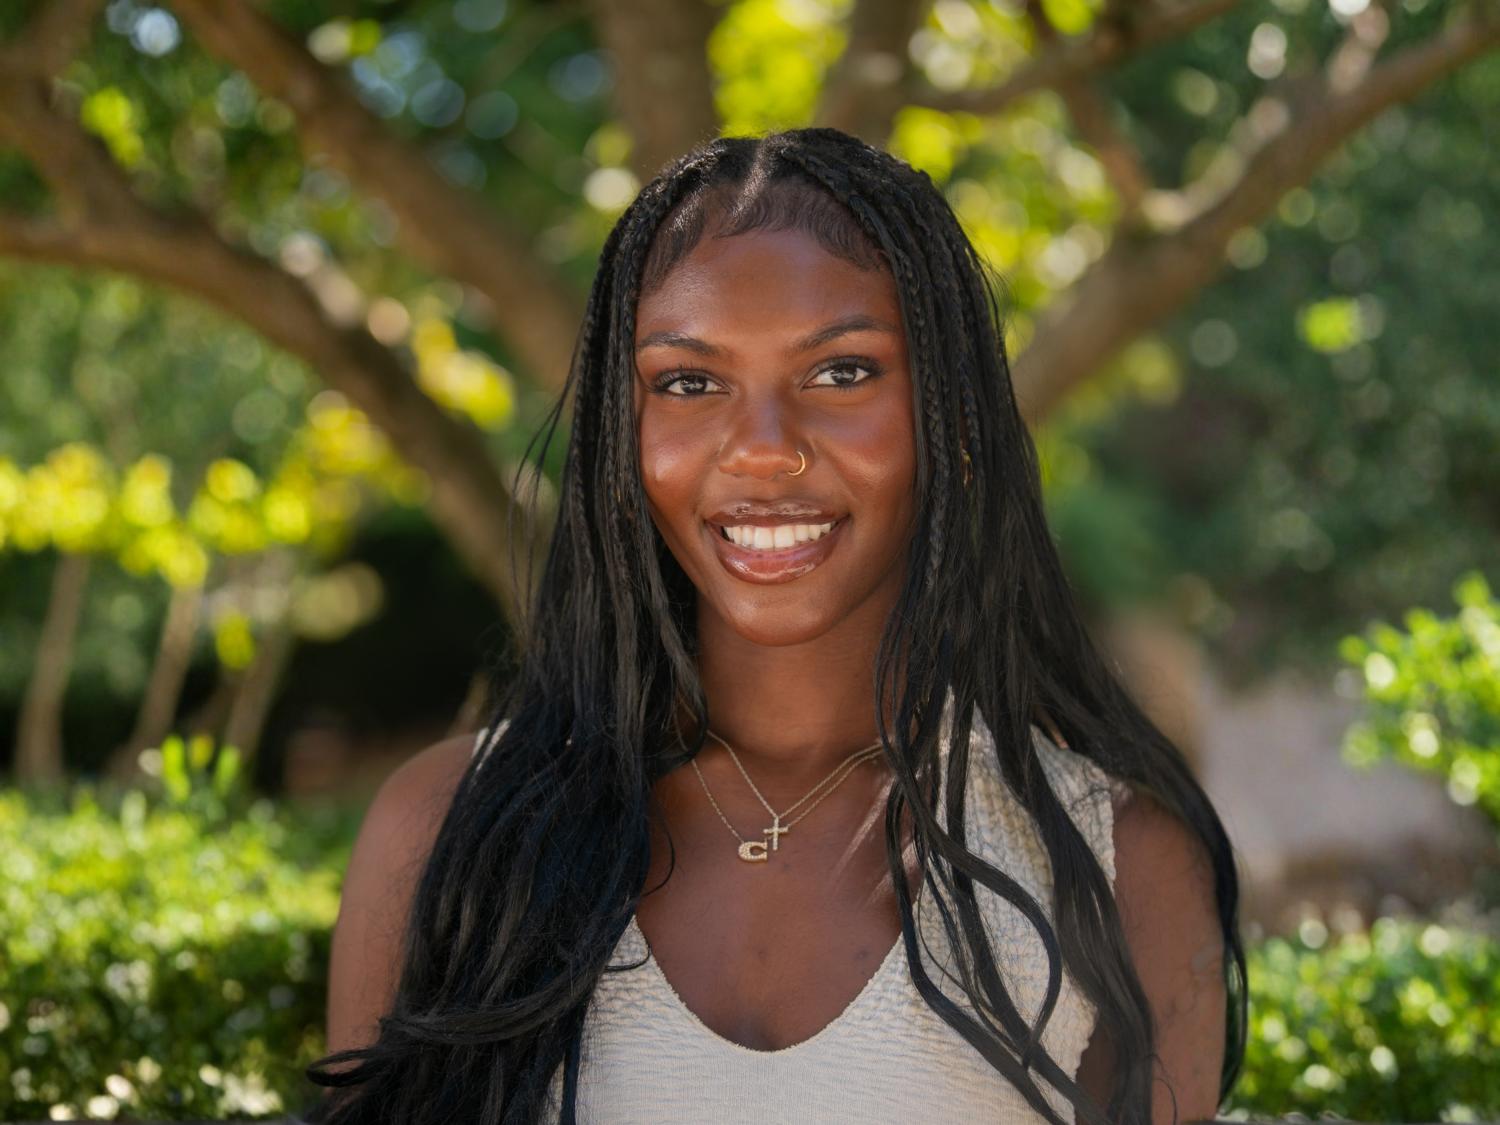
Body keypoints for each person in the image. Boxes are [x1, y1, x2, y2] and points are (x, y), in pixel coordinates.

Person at [305, 127, 1246, 1125]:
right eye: (688, 382)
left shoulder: (1115, 861)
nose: (761, 452)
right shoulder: (443, 828)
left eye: (842, 372)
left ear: (954, 421)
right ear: (622, 439)